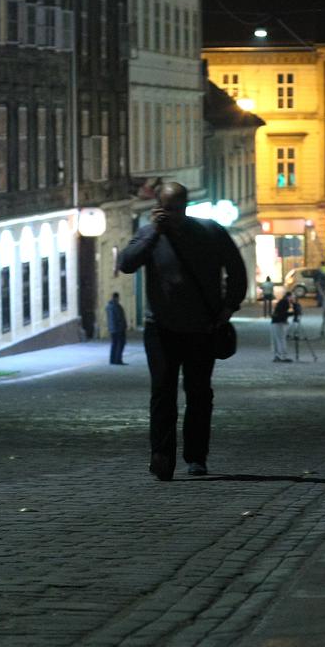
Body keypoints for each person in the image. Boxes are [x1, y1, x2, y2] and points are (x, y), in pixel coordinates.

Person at [116, 182, 246, 480]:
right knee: (162, 393)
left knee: (199, 394)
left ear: (185, 206)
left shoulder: (210, 231)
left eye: (176, 209)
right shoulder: (150, 235)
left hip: (202, 328)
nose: (171, 214)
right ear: (156, 207)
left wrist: (228, 308)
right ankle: (161, 456)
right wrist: (153, 234)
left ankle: (196, 457)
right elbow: (126, 264)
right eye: (166, 208)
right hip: (160, 328)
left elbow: (237, 271)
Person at [270, 291, 296, 362]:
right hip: (279, 323)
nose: (293, 298)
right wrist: (293, 313)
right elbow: (283, 313)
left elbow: (279, 312)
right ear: (289, 296)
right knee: (281, 339)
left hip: (275, 322)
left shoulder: (282, 301)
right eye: (292, 297)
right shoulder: (285, 302)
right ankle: (283, 356)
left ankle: (277, 355)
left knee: (276, 339)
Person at [106, 292, 128, 365]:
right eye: (118, 297)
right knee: (120, 344)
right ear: (116, 297)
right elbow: (119, 318)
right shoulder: (117, 306)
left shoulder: (108, 306)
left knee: (114, 344)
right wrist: (124, 326)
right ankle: (118, 359)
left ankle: (112, 360)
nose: (119, 299)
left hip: (112, 328)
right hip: (119, 328)